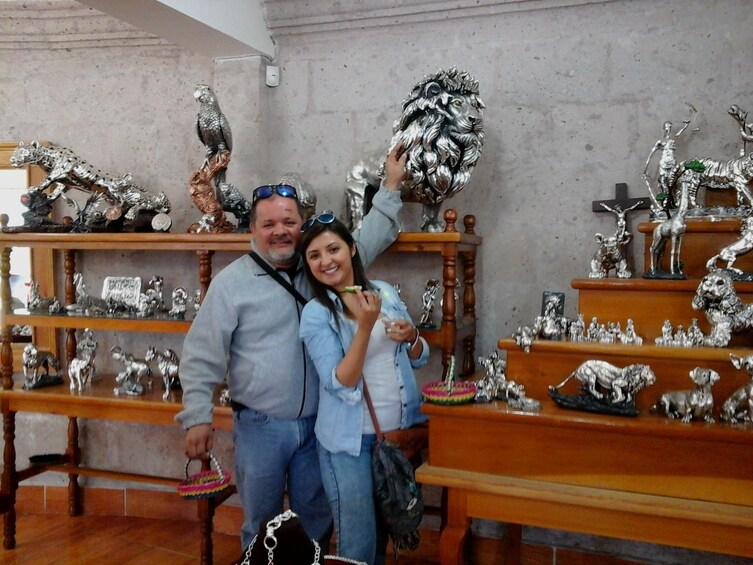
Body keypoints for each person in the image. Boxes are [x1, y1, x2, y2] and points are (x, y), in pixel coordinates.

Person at [176, 145, 408, 551]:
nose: (279, 231)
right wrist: (197, 415)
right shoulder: (232, 283)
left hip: (319, 426)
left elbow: (369, 235)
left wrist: (390, 185)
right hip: (260, 428)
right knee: (260, 527)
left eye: (288, 221)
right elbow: (202, 352)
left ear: (301, 226)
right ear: (253, 230)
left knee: (315, 524)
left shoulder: (323, 268)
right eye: (268, 224)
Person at [297, 215, 429, 565]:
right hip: (349, 445)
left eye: (333, 249)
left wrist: (412, 336)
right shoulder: (316, 314)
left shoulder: (383, 291)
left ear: (351, 249)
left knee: (385, 535)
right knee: (358, 542)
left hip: (395, 437)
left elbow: (418, 356)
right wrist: (365, 327)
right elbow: (341, 381)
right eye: (314, 255)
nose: (325, 261)